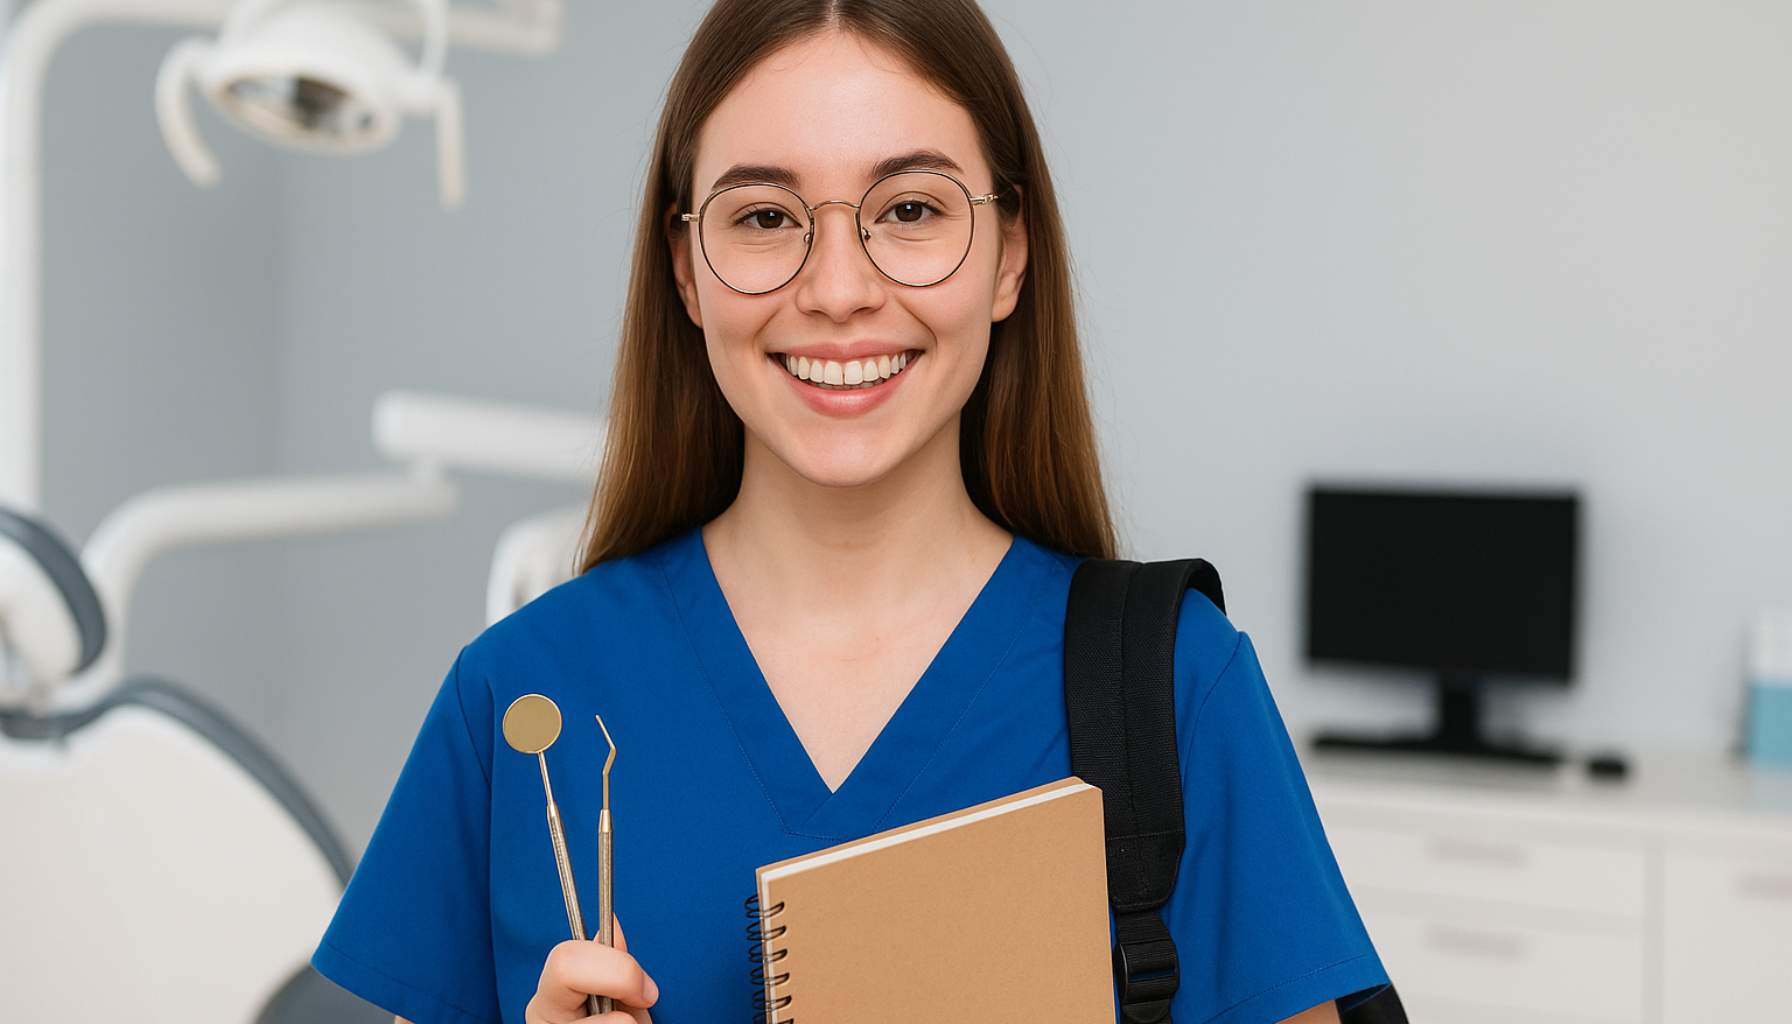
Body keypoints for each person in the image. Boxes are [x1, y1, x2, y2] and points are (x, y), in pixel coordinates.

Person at [313, 1, 1390, 1022]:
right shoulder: (518, 702)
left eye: (911, 209)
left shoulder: (1178, 686)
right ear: (686, 268)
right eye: (766, 216)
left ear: (1010, 255)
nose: (836, 288)